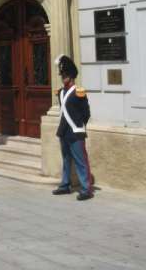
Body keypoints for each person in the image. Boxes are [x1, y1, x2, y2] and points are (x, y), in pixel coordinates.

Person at [52, 54, 94, 201]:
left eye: (65, 75)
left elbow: (86, 113)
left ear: (71, 76)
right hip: (64, 131)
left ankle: (86, 188)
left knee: (81, 161)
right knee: (66, 160)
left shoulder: (78, 92)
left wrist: (79, 125)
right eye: (62, 75)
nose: (63, 78)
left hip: (76, 132)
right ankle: (65, 185)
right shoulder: (61, 92)